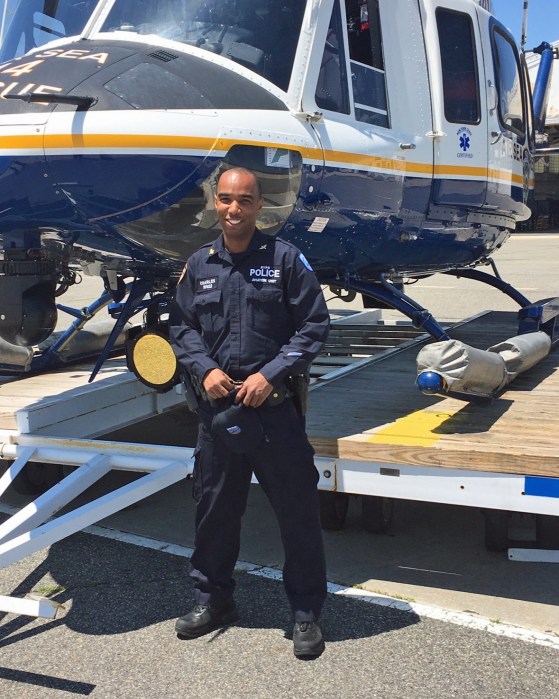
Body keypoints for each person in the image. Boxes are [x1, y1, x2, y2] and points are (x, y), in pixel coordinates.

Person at [169, 167, 330, 658]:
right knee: (214, 511)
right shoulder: (198, 265)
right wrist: (203, 369)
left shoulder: (286, 261)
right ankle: (214, 601)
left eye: (244, 200)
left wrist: (273, 374)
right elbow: (181, 327)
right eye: (225, 200)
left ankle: (305, 613)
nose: (234, 209)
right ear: (214, 204)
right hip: (218, 414)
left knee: (296, 512)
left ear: (261, 206)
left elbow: (314, 326)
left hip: (273, 413)